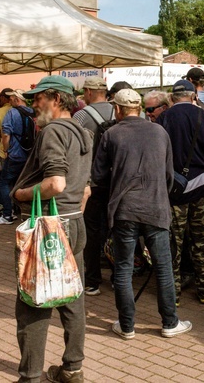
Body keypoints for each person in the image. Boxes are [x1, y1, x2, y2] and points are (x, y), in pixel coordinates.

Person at [91, 88, 193, 340]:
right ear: (139, 108)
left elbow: (98, 176)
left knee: (124, 268)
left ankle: (127, 326)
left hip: (124, 208)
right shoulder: (159, 131)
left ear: (117, 108)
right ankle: (170, 322)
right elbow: (169, 174)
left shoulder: (111, 134)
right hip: (156, 207)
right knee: (163, 267)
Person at [10, 75, 92, 383]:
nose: (33, 106)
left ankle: (30, 377)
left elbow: (55, 183)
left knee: (34, 302)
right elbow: (85, 189)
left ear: (56, 98)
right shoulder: (84, 132)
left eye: (38, 98)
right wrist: (72, 219)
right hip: (73, 222)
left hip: (48, 226)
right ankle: (73, 369)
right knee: (72, 296)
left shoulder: (54, 131)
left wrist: (20, 194)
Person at [158, 79, 204, 305]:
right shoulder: (202, 117)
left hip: (174, 190)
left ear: (172, 97)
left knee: (173, 242)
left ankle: (173, 294)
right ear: (193, 95)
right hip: (202, 187)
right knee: (201, 240)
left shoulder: (164, 118)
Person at [72, 76, 113, 294]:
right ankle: (118, 276)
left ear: (88, 92)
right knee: (116, 228)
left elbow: (75, 147)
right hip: (119, 181)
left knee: (92, 230)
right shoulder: (120, 111)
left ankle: (92, 279)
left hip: (92, 181)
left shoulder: (80, 115)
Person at [0, 90, 33, 225]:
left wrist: (6, 148)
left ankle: (8, 214)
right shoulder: (32, 112)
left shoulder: (12, 112)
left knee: (4, 182)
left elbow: (5, 134)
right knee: (25, 183)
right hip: (30, 155)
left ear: (16, 99)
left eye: (11, 98)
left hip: (15, 154)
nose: (9, 100)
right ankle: (25, 213)